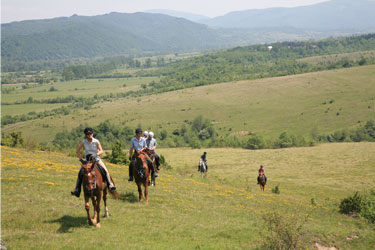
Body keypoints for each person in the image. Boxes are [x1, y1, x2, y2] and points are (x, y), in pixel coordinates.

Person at [71, 127, 116, 197]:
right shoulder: (84, 142)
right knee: (80, 173)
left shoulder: (96, 141)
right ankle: (77, 189)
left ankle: (110, 184)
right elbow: (77, 151)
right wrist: (81, 160)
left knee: (105, 170)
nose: (89, 135)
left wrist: (96, 154)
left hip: (97, 160)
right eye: (88, 134)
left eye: (90, 133)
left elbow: (101, 150)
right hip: (87, 161)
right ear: (86, 135)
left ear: (92, 134)